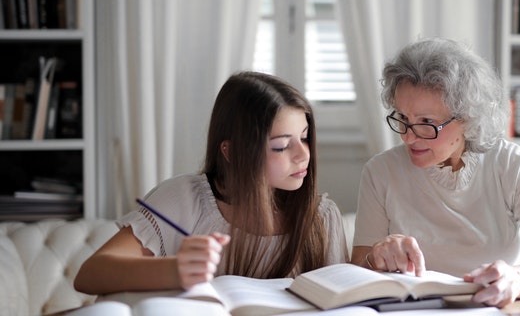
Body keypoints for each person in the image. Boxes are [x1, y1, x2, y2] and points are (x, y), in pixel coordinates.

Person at [350, 38, 520, 307]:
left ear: (467, 118)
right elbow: (356, 270)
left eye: (427, 123)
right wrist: (376, 258)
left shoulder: (509, 164)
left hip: (501, 308)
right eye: (403, 118)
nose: (408, 137)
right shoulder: (380, 171)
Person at [75, 71, 348, 295]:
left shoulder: (321, 218)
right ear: (231, 152)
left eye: (304, 137)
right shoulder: (184, 199)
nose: (303, 155)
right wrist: (175, 269)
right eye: (281, 146)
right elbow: (90, 274)